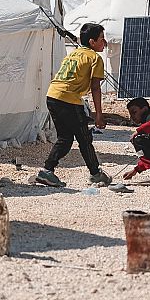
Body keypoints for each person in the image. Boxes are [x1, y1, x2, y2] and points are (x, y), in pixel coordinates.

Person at [35, 23, 111, 188]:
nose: (104, 43)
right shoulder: (94, 58)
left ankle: (47, 171)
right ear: (92, 42)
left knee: (66, 137)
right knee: (84, 138)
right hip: (68, 100)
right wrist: (99, 114)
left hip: (53, 95)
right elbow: (95, 87)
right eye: (101, 40)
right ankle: (95, 174)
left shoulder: (73, 54)